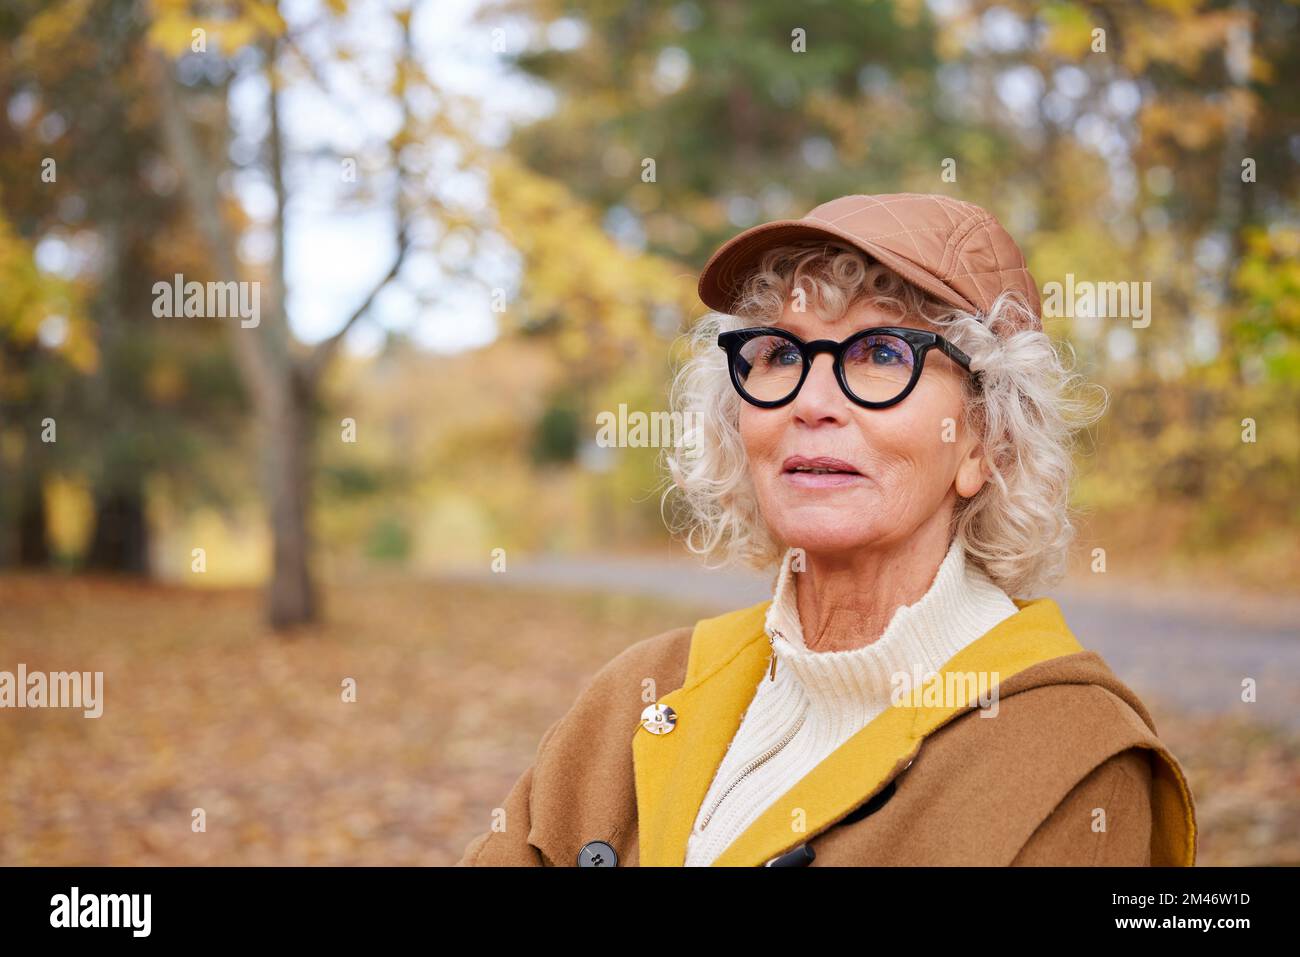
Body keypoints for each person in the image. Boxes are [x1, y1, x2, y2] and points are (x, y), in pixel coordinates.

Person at [456, 192, 1197, 867]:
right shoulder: (637, 693)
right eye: (779, 352)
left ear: (985, 442)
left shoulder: (1074, 757)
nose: (811, 401)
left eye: (882, 353)